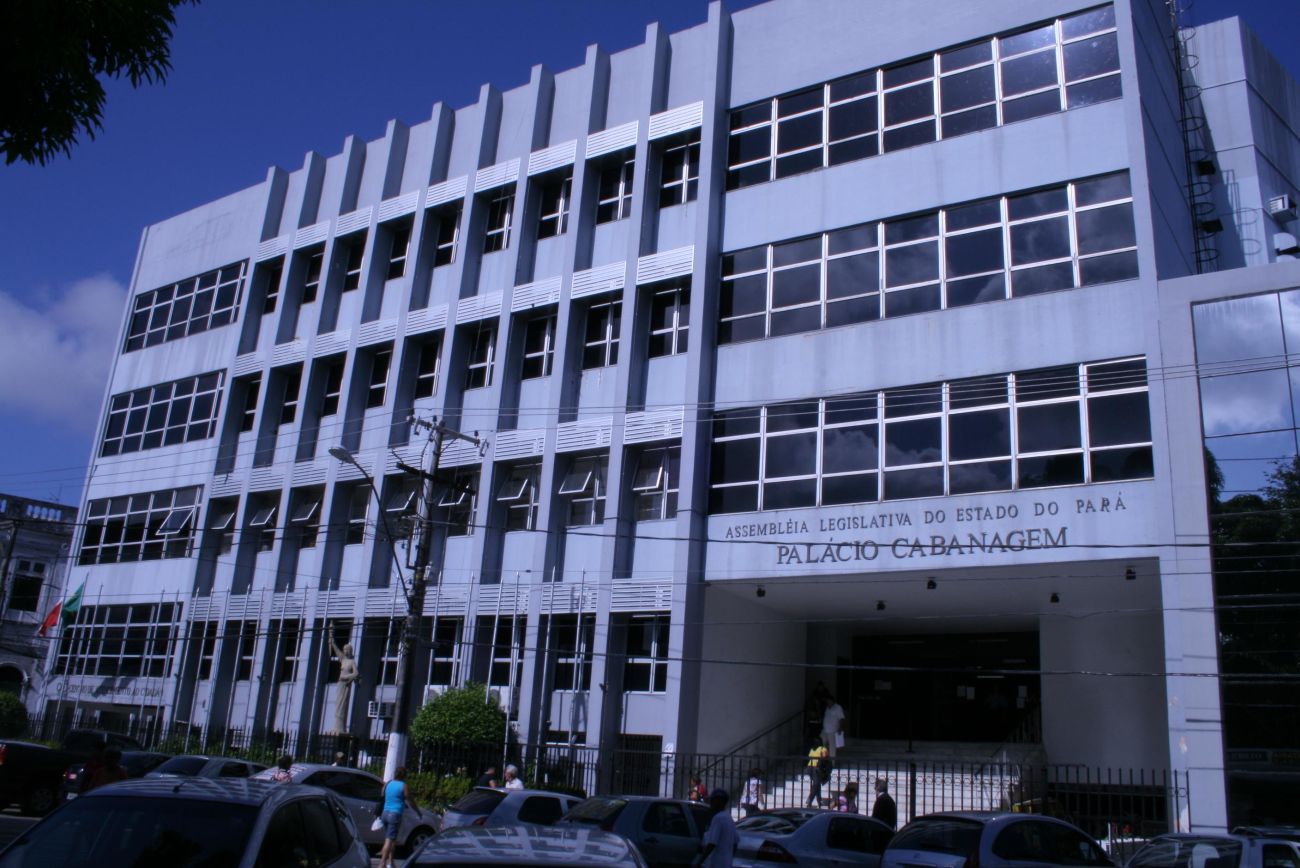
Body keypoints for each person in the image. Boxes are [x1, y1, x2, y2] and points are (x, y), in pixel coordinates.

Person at [379, 767, 421, 868]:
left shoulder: (388, 783)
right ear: (404, 775)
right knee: (389, 840)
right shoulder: (403, 786)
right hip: (395, 814)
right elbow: (410, 800)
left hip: (385, 813)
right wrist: (418, 812)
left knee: (391, 839)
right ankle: (382, 864)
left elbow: (382, 794)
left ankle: (391, 862)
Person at [699, 788, 737, 868]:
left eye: (713, 801)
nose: (711, 803)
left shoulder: (718, 818)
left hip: (715, 863)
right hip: (726, 863)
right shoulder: (729, 818)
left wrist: (699, 861)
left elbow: (712, 844)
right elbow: (735, 841)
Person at [805, 739, 829, 807]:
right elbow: (825, 757)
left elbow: (810, 756)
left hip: (809, 767)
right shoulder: (823, 748)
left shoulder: (812, 749)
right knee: (816, 785)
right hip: (817, 768)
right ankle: (809, 799)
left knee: (817, 784)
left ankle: (819, 801)